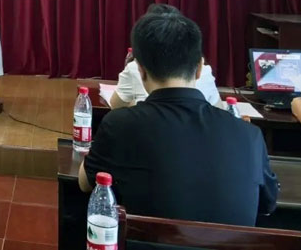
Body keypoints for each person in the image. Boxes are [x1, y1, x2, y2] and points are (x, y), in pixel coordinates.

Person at [79, 12, 278, 226]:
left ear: (141, 71)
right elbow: (268, 203)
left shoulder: (120, 125)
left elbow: (84, 182)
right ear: (200, 68)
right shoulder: (249, 134)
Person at [110, 4, 221, 109]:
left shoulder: (134, 68)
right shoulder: (205, 71)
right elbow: (220, 108)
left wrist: (136, 106)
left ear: (141, 69)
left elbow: (116, 105)